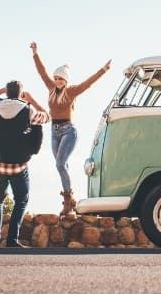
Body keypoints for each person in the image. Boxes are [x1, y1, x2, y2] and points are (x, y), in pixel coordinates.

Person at [30, 41, 111, 214]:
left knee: (60, 164)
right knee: (62, 165)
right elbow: (41, 72)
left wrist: (103, 70)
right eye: (56, 78)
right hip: (54, 131)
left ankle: (68, 198)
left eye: (60, 78)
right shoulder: (51, 88)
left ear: (65, 80)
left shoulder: (71, 91)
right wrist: (35, 53)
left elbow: (87, 83)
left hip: (69, 131)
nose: (57, 80)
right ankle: (70, 200)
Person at [0, 80, 47, 248]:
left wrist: (1, 90)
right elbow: (46, 116)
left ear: (7, 92)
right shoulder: (28, 109)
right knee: (21, 199)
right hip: (19, 166)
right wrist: (30, 98)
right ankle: (12, 240)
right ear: (21, 93)